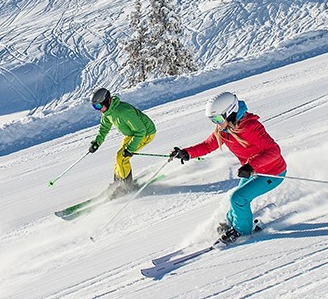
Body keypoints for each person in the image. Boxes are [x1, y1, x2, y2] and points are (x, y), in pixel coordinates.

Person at [168, 91, 287, 243]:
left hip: (272, 172)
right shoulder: (224, 130)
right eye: (212, 120)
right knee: (234, 206)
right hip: (252, 171)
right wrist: (186, 153)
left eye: (217, 118)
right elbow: (208, 145)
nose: (216, 123)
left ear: (229, 113)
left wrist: (251, 165)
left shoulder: (251, 127)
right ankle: (234, 223)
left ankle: (242, 232)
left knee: (238, 198)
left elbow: (274, 151)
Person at [88, 87, 156, 192]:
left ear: (107, 101)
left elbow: (141, 131)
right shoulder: (107, 113)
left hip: (145, 133)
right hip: (131, 134)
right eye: (95, 107)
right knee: (118, 157)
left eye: (98, 106)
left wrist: (130, 149)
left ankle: (127, 187)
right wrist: (97, 142)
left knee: (122, 157)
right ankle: (118, 182)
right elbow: (104, 128)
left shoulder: (124, 111)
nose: (98, 109)